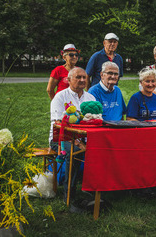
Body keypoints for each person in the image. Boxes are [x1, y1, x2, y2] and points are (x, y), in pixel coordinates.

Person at [49, 67, 96, 208]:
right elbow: (58, 126)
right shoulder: (60, 97)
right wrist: (77, 142)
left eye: (84, 77)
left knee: (101, 149)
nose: (82, 80)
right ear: (68, 80)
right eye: (78, 77)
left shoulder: (90, 98)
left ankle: (95, 190)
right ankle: (69, 196)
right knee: (75, 152)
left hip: (84, 138)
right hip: (61, 140)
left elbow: (95, 121)